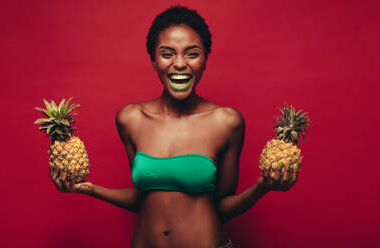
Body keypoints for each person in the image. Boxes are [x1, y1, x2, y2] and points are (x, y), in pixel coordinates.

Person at [49, 6, 299, 248]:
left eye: (192, 53)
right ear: (154, 61)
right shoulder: (130, 119)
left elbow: (222, 206)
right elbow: (146, 197)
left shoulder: (227, 122)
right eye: (167, 53)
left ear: (205, 60)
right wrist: (90, 189)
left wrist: (262, 187)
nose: (180, 64)